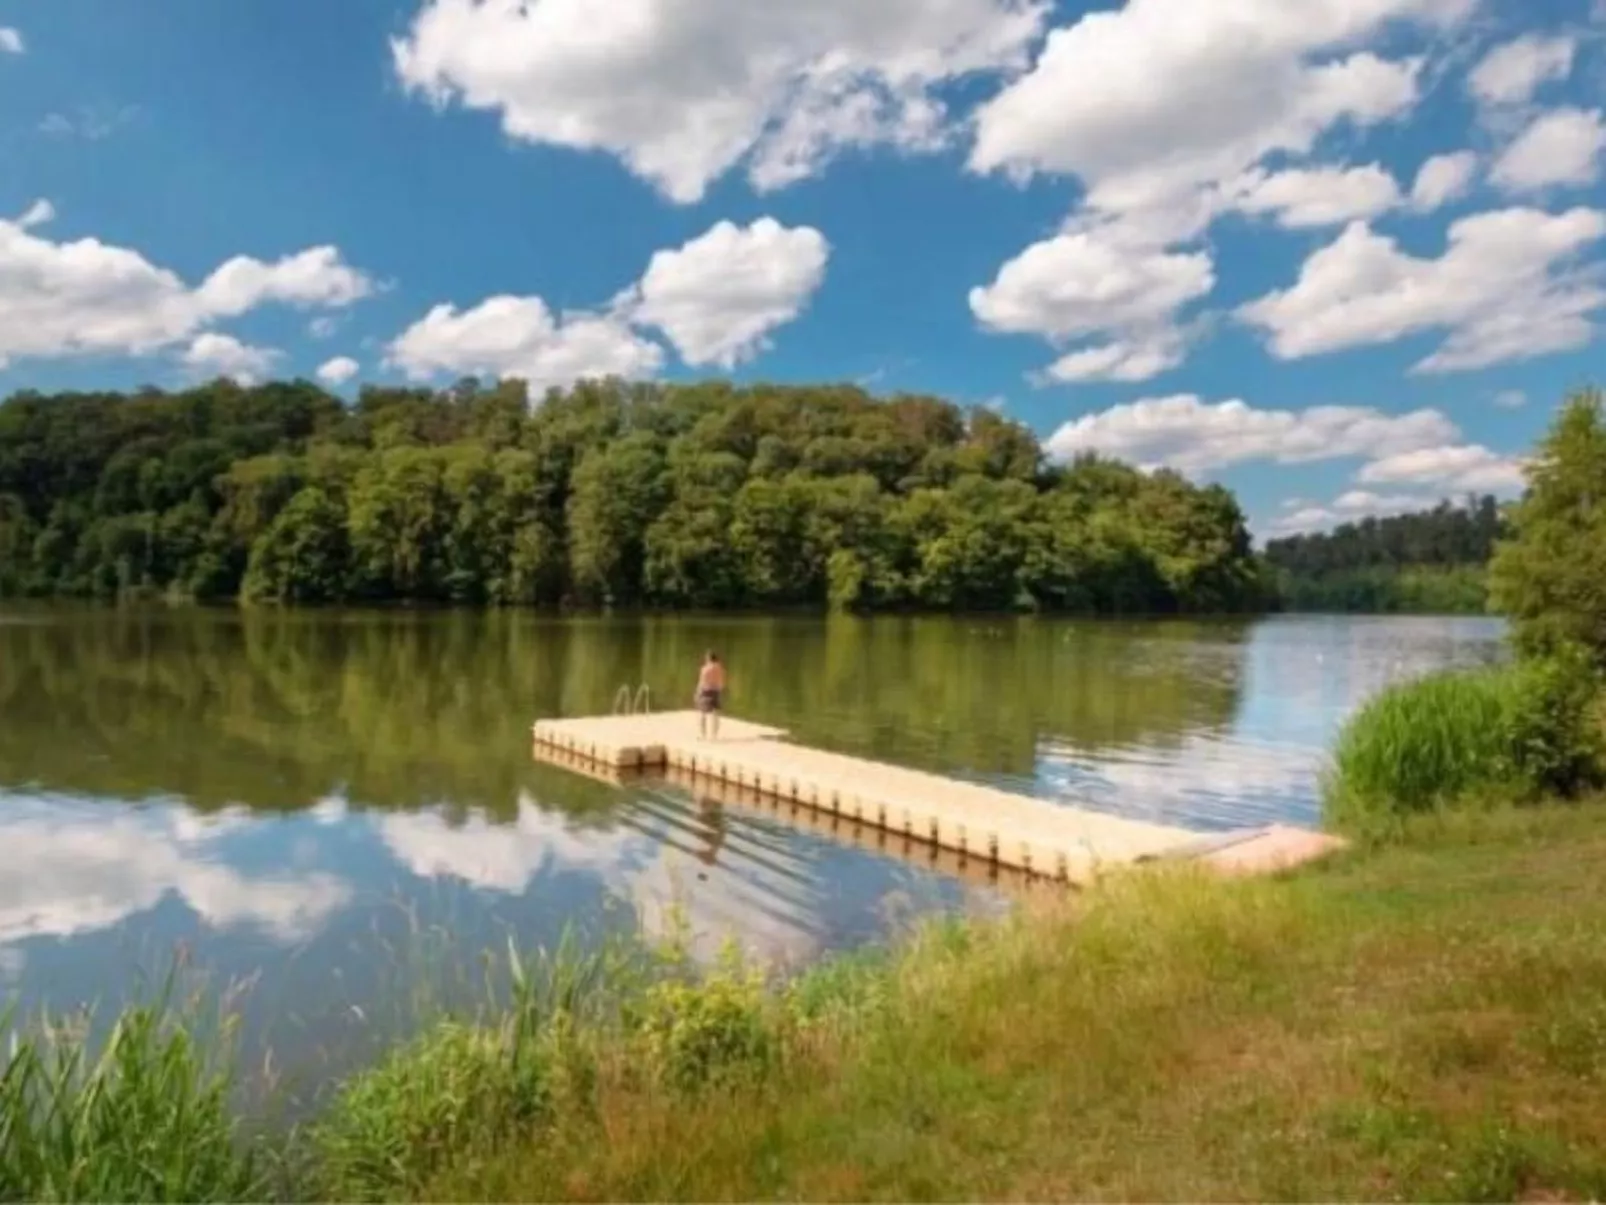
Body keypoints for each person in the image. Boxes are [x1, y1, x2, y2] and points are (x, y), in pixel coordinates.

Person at [695, 650, 726, 740]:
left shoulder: (705, 669)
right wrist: (720, 689)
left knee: (702, 714)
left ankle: (703, 735)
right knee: (715, 713)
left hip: (706, 691)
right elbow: (721, 681)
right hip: (716, 691)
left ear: (708, 658)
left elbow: (701, 682)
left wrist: (697, 693)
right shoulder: (720, 668)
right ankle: (714, 735)